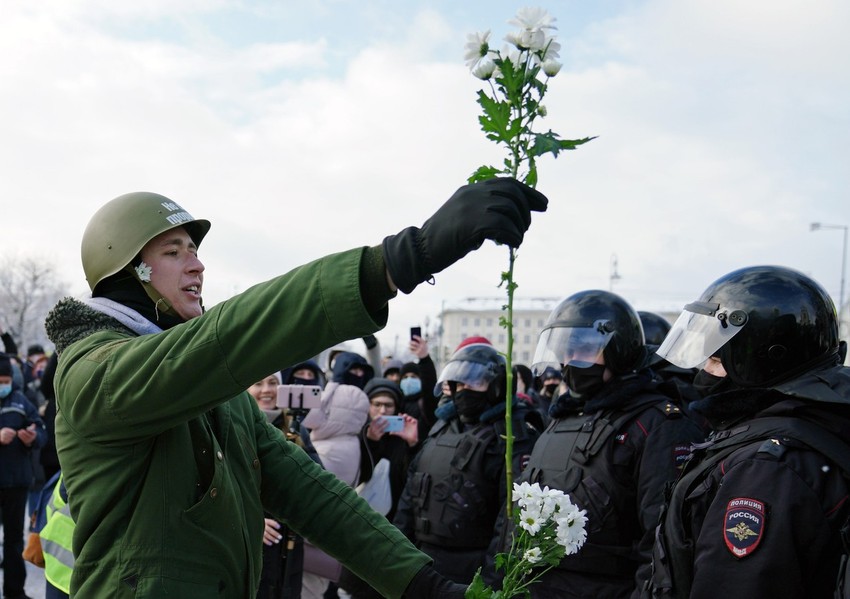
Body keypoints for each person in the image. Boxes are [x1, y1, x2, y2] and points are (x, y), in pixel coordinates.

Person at [44, 178, 545, 597]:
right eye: (174, 252)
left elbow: (309, 492)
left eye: (195, 250)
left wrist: (421, 585)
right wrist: (396, 262)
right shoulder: (94, 373)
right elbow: (224, 339)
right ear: (130, 273)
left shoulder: (213, 395)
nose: (197, 265)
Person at [644, 265, 850, 599]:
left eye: (715, 358)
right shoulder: (807, 431)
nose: (703, 372)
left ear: (763, 359)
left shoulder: (765, 469)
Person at [497, 290, 705, 598]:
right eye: (565, 351)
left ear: (619, 350)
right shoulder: (561, 419)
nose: (570, 361)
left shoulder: (656, 425)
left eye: (583, 348)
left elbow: (661, 550)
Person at [393, 340, 541, 584]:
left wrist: (492, 582)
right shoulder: (441, 428)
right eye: (459, 384)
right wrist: (398, 557)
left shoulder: (512, 437)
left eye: (474, 383)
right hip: (421, 560)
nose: (463, 390)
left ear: (497, 387)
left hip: (472, 570)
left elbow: (510, 522)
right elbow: (411, 496)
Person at [338, 378, 420, 599]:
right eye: (376, 404)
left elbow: (413, 481)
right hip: (359, 528)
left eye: (388, 405)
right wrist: (371, 441)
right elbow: (356, 474)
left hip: (394, 528)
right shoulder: (356, 435)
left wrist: (413, 445)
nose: (382, 411)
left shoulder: (403, 440)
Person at [248, 372, 308, 599]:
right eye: (258, 382)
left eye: (273, 383)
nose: (267, 390)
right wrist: (252, 521)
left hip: (288, 547)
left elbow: (312, 481)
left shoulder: (296, 430)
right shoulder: (234, 428)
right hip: (252, 546)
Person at [0, 353, 47, 599]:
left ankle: (14, 591)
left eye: (6, 380)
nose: (3, 385)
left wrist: (33, 437)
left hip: (17, 480)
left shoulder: (20, 400)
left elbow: (40, 428)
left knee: (14, 539)